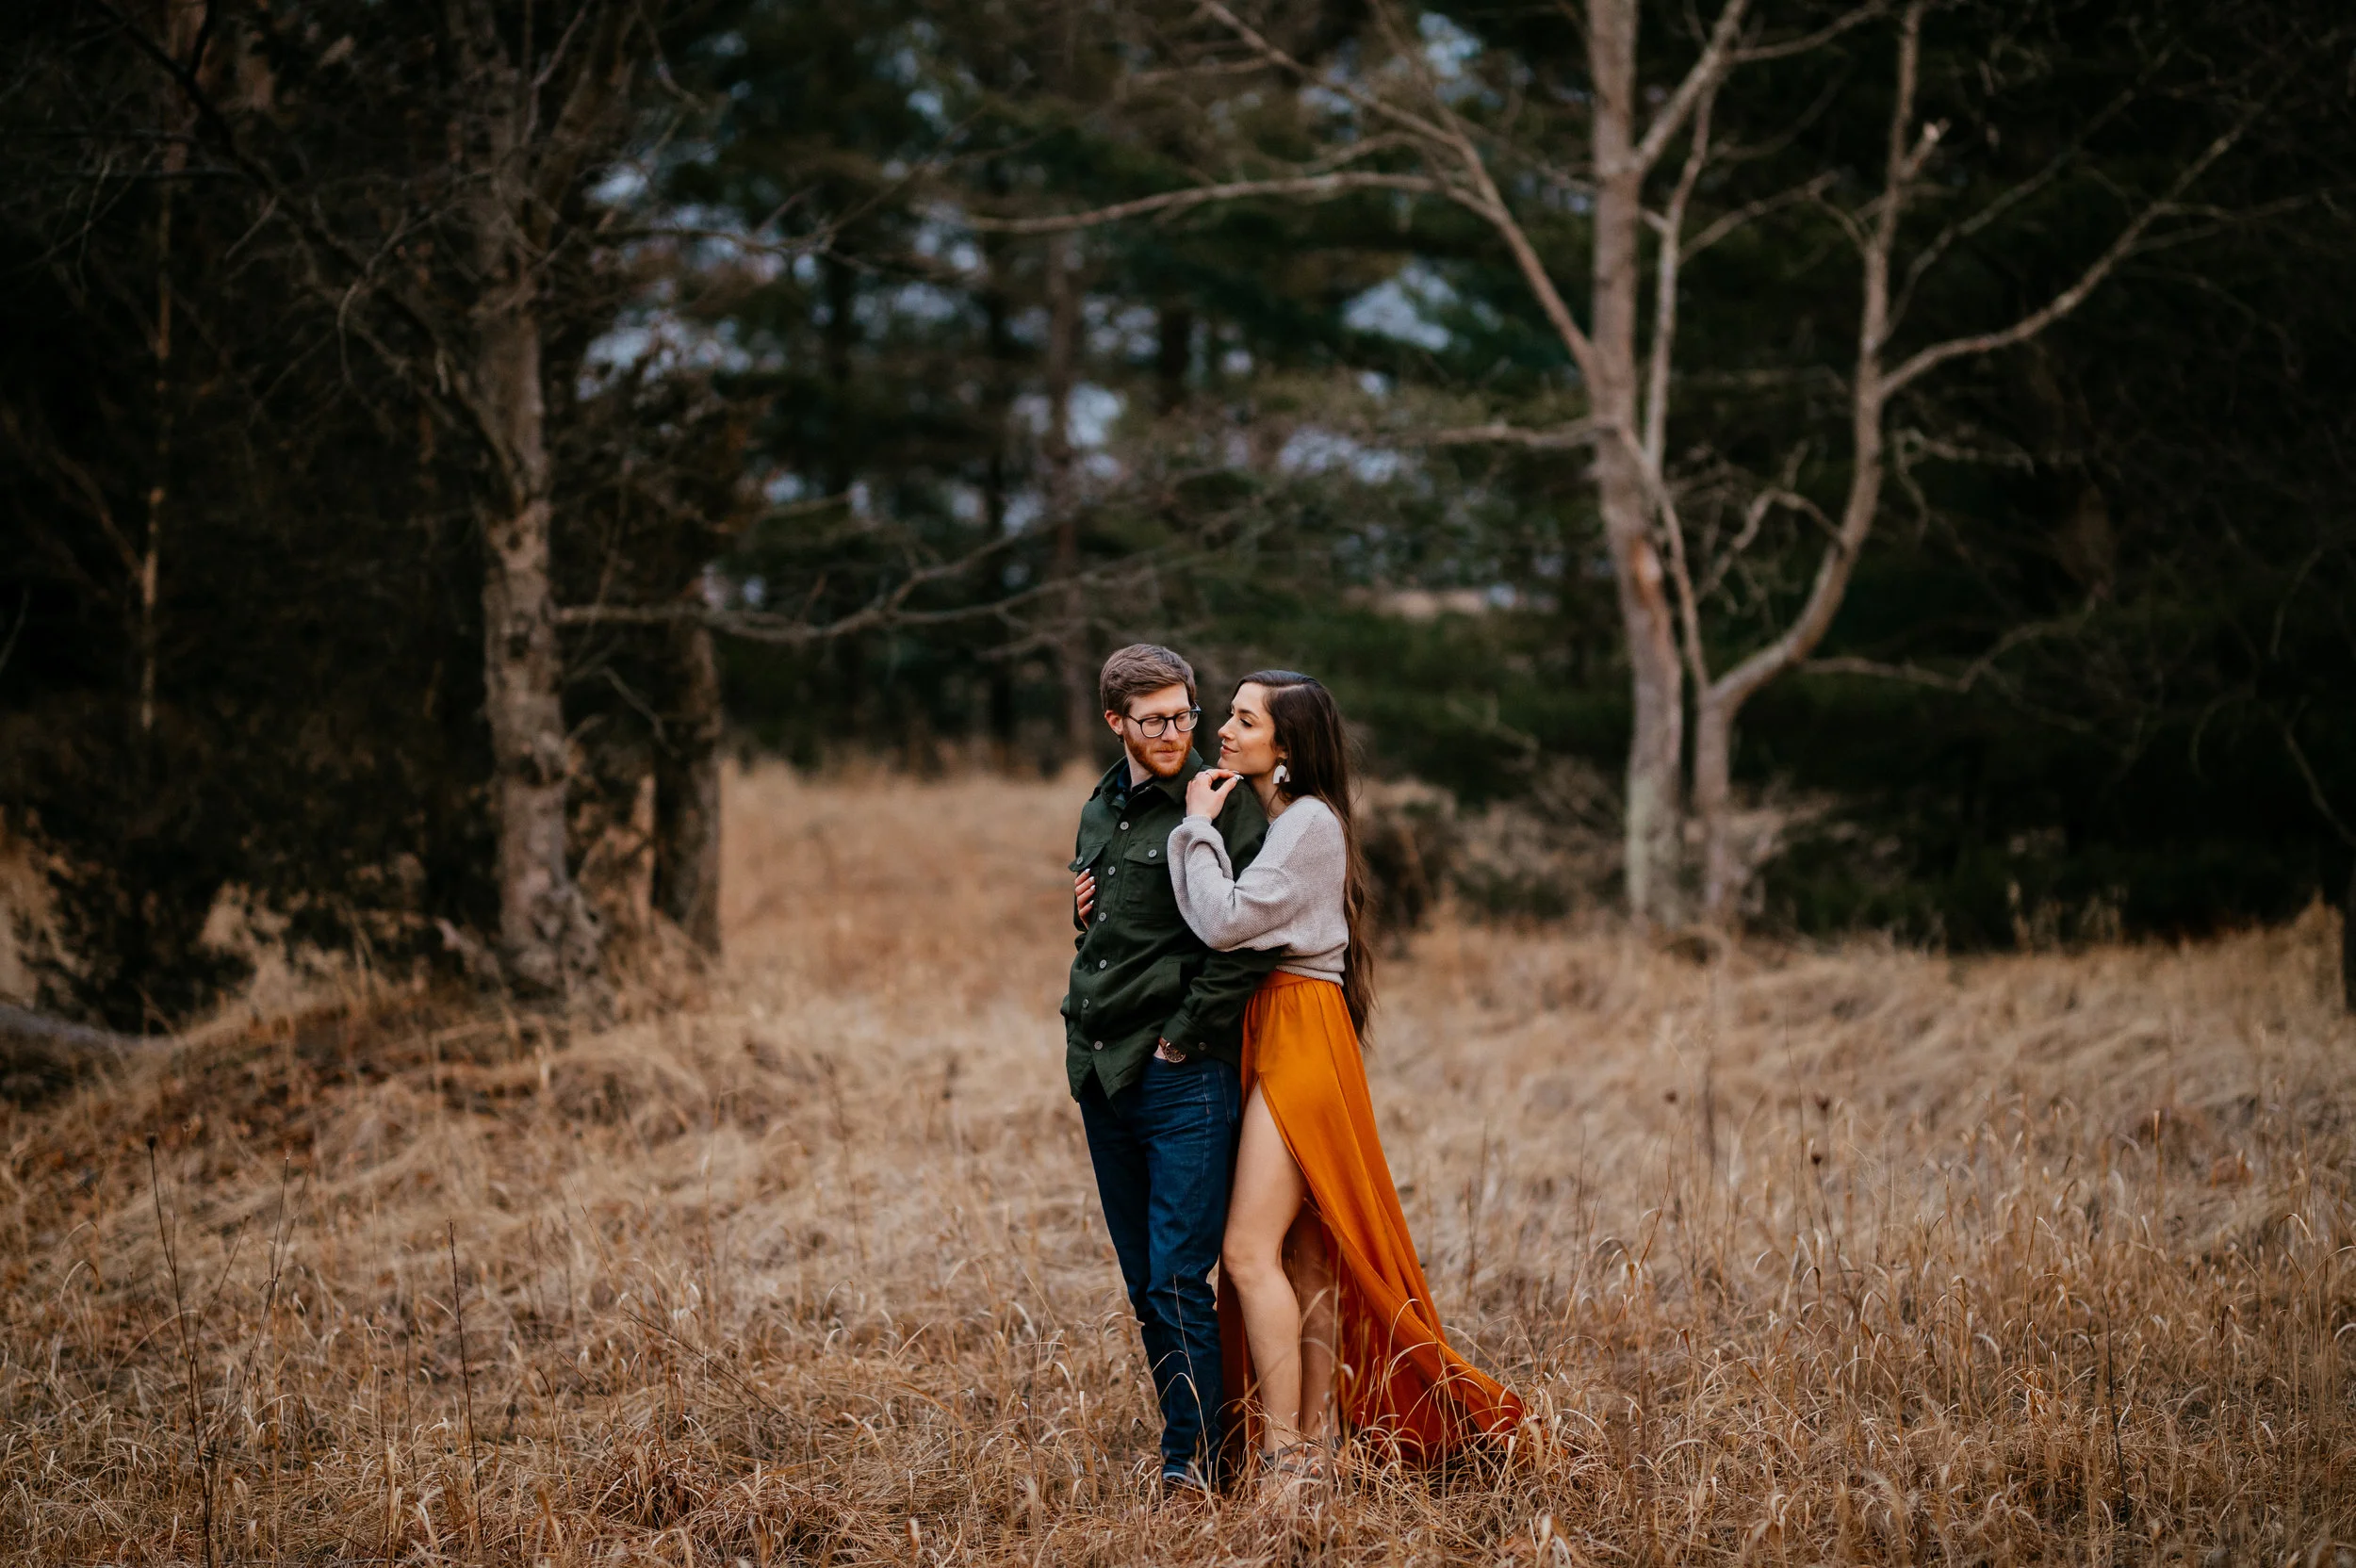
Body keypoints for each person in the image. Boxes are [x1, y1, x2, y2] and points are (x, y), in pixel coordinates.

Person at [1168, 670, 1524, 1497]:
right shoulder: (1293, 822)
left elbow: (1222, 922)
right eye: (1228, 715)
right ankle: (1318, 1446)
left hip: (1299, 1035)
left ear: (1284, 746)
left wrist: (1195, 829)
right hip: (1291, 1029)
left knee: (1248, 1251)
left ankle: (1286, 1458)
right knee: (1305, 1256)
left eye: (1243, 719)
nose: (1224, 728)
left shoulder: (1309, 825)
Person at [1063, 645, 1284, 1500]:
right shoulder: (1101, 805)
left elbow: (1258, 937)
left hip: (1180, 1075)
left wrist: (1187, 1034)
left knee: (1178, 1277)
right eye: (1153, 720)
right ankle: (1192, 1444)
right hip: (1101, 1069)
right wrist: (1078, 910)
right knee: (1141, 1281)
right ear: (1116, 722)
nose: (1176, 734)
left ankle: (1193, 1464)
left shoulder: (1223, 806)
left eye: (1186, 715)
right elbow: (1108, 925)